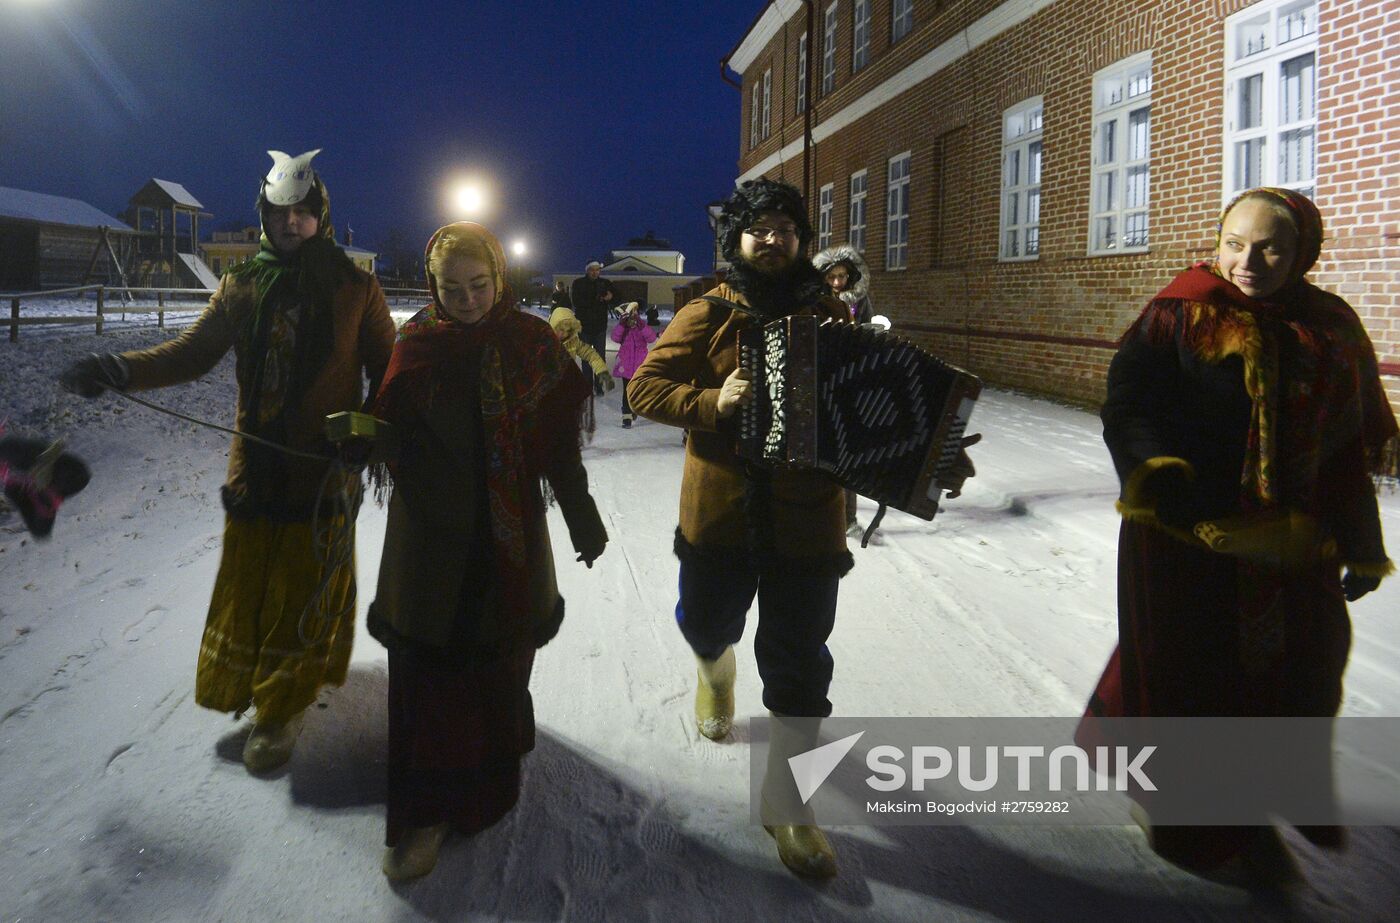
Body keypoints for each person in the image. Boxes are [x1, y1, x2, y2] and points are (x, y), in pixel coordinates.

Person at [1081, 187, 1397, 884]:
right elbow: (1128, 402)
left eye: (1269, 246)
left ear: (1303, 252)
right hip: (1188, 532)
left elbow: (1345, 449)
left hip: (1291, 540)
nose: (1246, 260)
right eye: (1234, 243)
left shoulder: (1331, 328)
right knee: (1195, 678)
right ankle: (1195, 823)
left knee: (1304, 672)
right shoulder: (1181, 311)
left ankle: (1252, 807)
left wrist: (1362, 541)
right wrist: (1156, 474)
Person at [58, 149, 396, 773]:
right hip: (255, 465)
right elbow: (192, 354)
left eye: (302, 213)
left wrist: (367, 434)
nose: (290, 223)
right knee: (252, 582)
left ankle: (282, 708)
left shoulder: (356, 286)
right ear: (264, 216)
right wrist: (119, 369)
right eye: (278, 213)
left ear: (320, 216)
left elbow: (389, 372)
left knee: (302, 589)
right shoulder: (242, 284)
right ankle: (258, 684)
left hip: (322, 469)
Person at [632, 178, 929, 880]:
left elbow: (871, 409)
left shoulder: (833, 315)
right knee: (706, 621)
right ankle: (714, 667)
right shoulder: (709, 310)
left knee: (801, 661)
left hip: (806, 519)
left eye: (785, 228)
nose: (772, 238)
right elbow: (645, 387)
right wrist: (711, 399)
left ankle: (790, 799)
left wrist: (925, 447)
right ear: (735, 239)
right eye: (757, 227)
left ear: (799, 239)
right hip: (723, 512)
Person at [364, 222, 608, 881]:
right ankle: (428, 812)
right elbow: (386, 433)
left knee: (501, 658)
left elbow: (558, 441)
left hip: (509, 530)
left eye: (479, 285)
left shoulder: (531, 342)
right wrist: (356, 441)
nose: (467, 299)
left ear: (500, 279)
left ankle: (491, 774)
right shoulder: (415, 344)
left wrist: (580, 512)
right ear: (434, 287)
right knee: (433, 676)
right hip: (431, 538)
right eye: (452, 288)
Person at [813, 244, 876, 540]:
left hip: (849, 382)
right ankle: (817, 513)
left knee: (848, 454)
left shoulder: (860, 301)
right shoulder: (813, 302)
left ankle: (848, 518)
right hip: (818, 383)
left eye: (842, 276)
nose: (837, 282)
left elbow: (867, 332)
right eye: (831, 277)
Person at [569, 260, 615, 395]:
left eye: (597, 270)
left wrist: (610, 297)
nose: (595, 272)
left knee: (600, 358)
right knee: (587, 358)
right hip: (584, 327)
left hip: (600, 327)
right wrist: (595, 299)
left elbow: (618, 296)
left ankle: (599, 386)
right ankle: (587, 386)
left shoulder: (605, 283)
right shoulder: (578, 283)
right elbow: (577, 301)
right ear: (587, 270)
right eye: (592, 270)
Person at [609, 302, 657, 428]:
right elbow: (615, 337)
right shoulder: (624, 328)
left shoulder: (641, 327)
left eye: (634, 314)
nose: (632, 318)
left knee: (638, 390)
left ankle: (634, 409)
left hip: (640, 364)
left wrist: (641, 325)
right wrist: (622, 325)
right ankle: (626, 417)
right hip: (626, 364)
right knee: (626, 391)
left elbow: (651, 338)